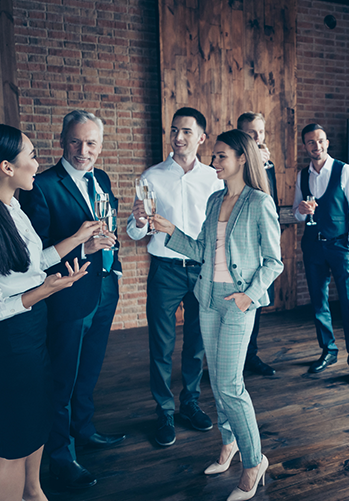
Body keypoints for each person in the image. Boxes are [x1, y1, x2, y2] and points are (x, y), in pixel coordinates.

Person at [0, 123, 98, 501]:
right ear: (6, 168)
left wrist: (78, 240)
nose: (37, 162)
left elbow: (30, 267)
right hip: (7, 347)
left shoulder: (10, 206)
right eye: (30, 155)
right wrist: (43, 291)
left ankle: (34, 492)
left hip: (32, 336)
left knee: (37, 426)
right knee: (13, 446)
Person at [151, 129, 282, 501]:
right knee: (220, 384)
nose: (214, 163)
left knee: (229, 385)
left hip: (239, 302)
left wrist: (249, 297)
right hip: (207, 299)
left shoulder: (259, 202)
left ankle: (254, 461)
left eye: (221, 156)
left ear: (242, 158)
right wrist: (169, 230)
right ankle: (229, 444)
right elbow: (201, 251)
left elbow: (274, 262)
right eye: (214, 157)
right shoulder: (214, 200)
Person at [19, 110, 125, 491]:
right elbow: (35, 254)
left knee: (89, 372)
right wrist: (82, 246)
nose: (84, 150)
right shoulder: (42, 185)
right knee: (62, 379)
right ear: (63, 140)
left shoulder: (103, 179)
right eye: (77, 142)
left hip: (104, 289)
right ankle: (61, 458)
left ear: (100, 145)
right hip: (67, 294)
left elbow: (107, 223)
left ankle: (85, 431)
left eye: (92, 143)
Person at [127, 107, 223, 446]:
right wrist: (139, 220)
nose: (178, 137)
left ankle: (190, 403)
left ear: (201, 137)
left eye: (186, 131)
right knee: (161, 345)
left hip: (201, 270)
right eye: (174, 131)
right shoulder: (152, 176)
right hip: (165, 269)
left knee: (197, 344)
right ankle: (164, 411)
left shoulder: (215, 179)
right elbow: (135, 232)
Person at [293, 124, 349, 391]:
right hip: (312, 246)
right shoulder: (302, 175)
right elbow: (297, 214)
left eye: (321, 141)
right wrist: (301, 210)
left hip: (340, 247)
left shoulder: (345, 171)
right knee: (318, 302)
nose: (317, 146)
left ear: (327, 142)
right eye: (311, 142)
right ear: (305, 146)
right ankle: (328, 350)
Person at [237, 111, 278, 376]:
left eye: (260, 132)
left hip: (261, 246)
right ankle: (233, 360)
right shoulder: (230, 160)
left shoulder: (268, 164)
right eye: (250, 133)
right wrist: (252, 165)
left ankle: (250, 355)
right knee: (236, 306)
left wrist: (262, 166)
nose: (256, 137)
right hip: (238, 246)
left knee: (256, 302)